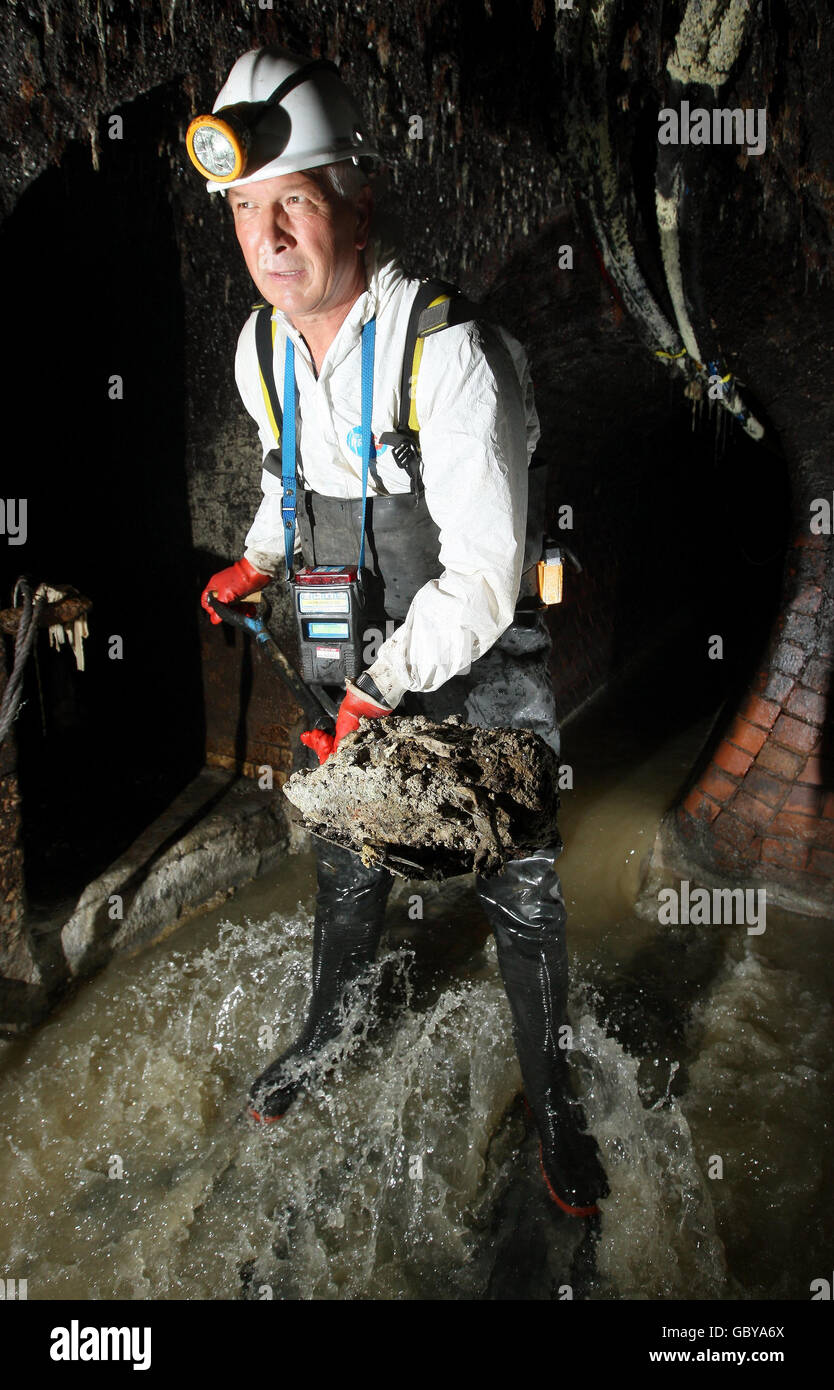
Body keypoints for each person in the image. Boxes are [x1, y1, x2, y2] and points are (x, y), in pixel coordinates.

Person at [193, 47, 608, 1217]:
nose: (267, 239)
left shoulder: (451, 353)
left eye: (295, 205)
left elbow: (484, 578)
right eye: (244, 213)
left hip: (464, 665)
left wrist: (381, 690)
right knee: (345, 857)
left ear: (357, 201)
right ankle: (323, 1033)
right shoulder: (261, 348)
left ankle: (555, 1099)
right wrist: (259, 558)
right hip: (344, 646)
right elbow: (288, 477)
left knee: (521, 891)